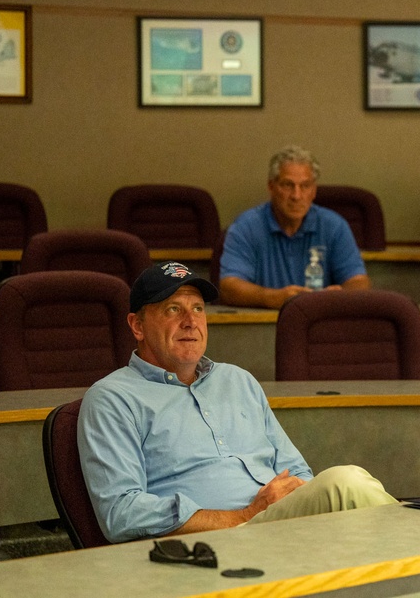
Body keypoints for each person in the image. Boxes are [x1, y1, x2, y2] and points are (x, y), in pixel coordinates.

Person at [78, 262, 396, 543]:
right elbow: (121, 513)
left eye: (198, 308)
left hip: (283, 527)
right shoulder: (112, 399)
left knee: (357, 521)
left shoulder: (237, 380)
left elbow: (296, 469)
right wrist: (247, 515)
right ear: (137, 326)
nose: (190, 321)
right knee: (345, 484)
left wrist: (298, 498)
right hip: (212, 544)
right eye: (173, 309)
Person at [219, 145, 371, 309]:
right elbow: (229, 286)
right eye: (287, 185)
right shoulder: (246, 227)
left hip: (317, 324)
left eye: (305, 186)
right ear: (271, 187)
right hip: (262, 327)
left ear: (313, 191)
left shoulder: (334, 226)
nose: (296, 196)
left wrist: (341, 294)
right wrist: (271, 298)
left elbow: (359, 282)